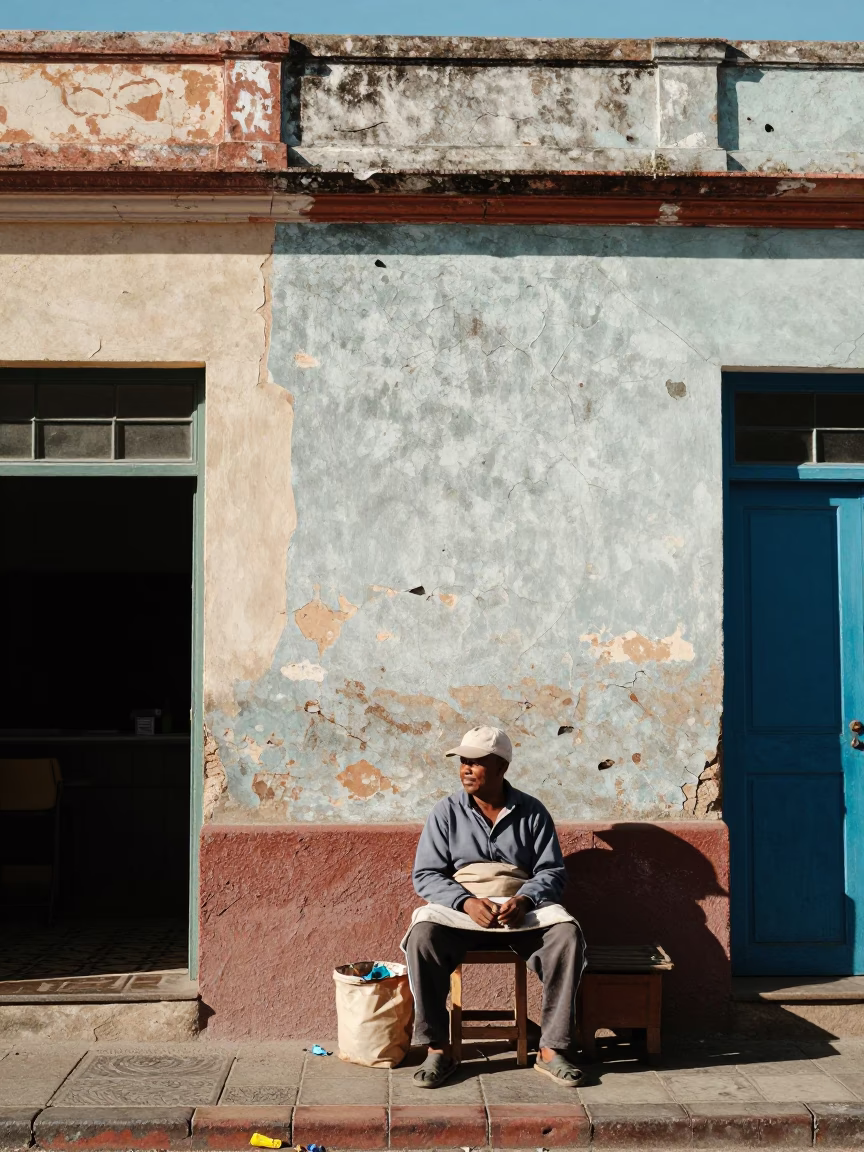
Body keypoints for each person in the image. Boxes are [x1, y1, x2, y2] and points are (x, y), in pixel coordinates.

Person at [403, 725, 585, 1088]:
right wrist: (465, 902)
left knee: (566, 936)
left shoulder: (532, 812)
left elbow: (552, 871)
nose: (466, 769)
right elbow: (426, 874)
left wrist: (526, 898)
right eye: (463, 762)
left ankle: (551, 1049)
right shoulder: (446, 813)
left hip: (521, 911)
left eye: (476, 762)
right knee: (422, 936)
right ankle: (438, 1048)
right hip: (462, 912)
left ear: (501, 767)